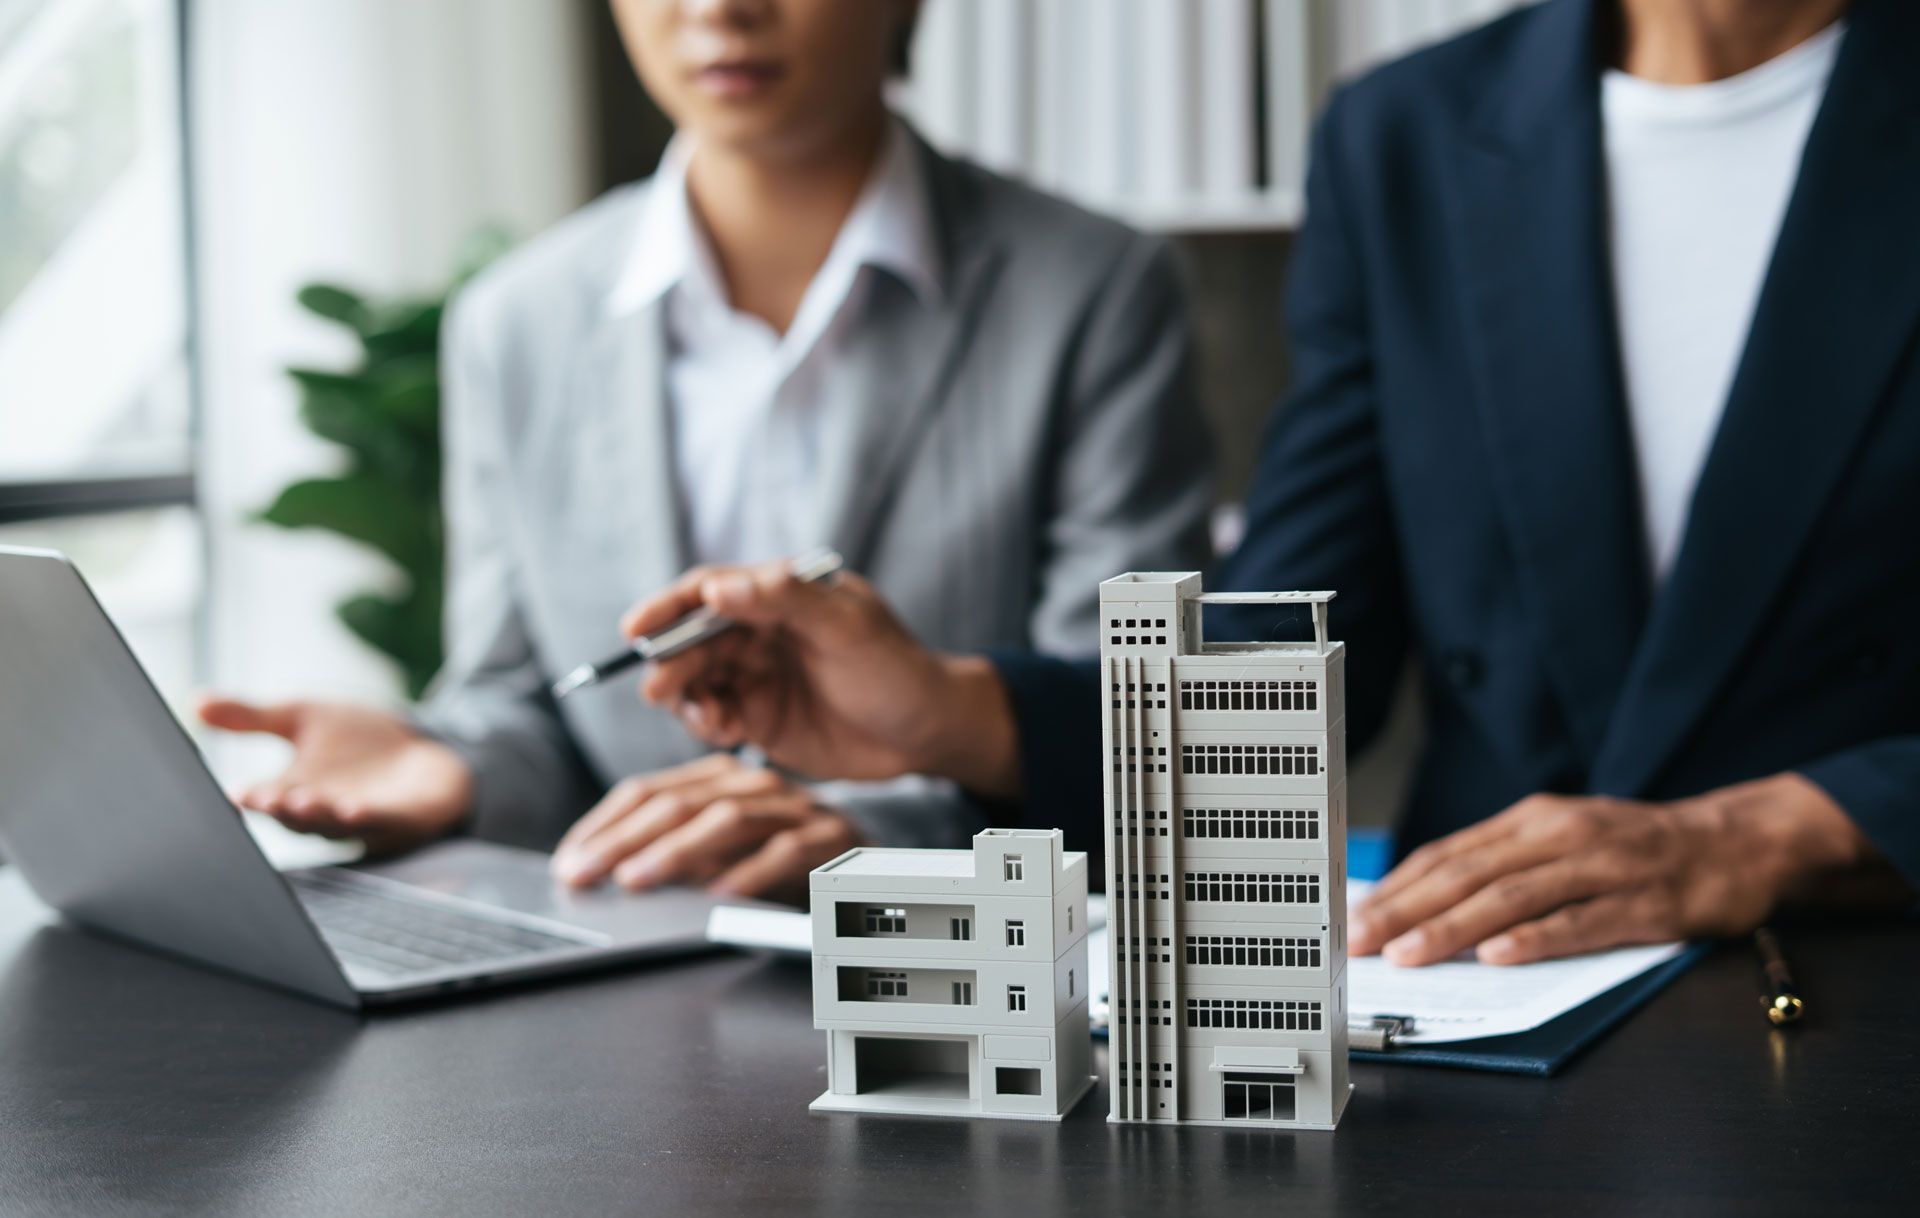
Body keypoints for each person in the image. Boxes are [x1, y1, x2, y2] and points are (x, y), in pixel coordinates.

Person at [620, 0, 1919, 961]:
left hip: (1854, 990)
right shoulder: (1402, 136)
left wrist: (1768, 833)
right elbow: (1290, 653)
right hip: (1477, 999)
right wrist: (949, 709)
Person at [197, 0, 1213, 899]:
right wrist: (451, 767)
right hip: (628, 977)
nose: (721, 10)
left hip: (964, 973)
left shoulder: (1094, 290)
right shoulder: (518, 320)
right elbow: (526, 704)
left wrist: (873, 839)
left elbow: (1125, 721)